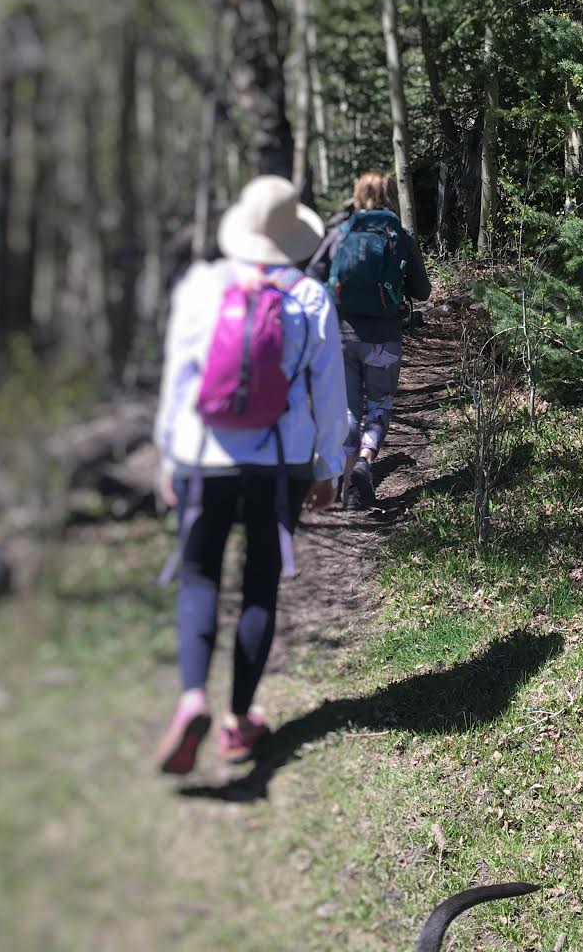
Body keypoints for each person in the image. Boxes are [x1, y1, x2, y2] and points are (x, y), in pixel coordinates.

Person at [151, 175, 348, 775]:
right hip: (277, 461)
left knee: (200, 574)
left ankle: (191, 699)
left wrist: (168, 454)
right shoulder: (309, 297)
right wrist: (329, 464)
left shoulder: (203, 287)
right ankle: (238, 723)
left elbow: (178, 381)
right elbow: (330, 392)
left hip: (202, 458)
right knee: (259, 581)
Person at [306, 172, 432, 510]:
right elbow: (423, 290)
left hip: (341, 335)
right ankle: (364, 462)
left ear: (357, 196)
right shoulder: (399, 235)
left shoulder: (341, 233)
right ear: (391, 196)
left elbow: (311, 278)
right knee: (378, 406)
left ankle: (347, 486)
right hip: (384, 338)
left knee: (349, 409)